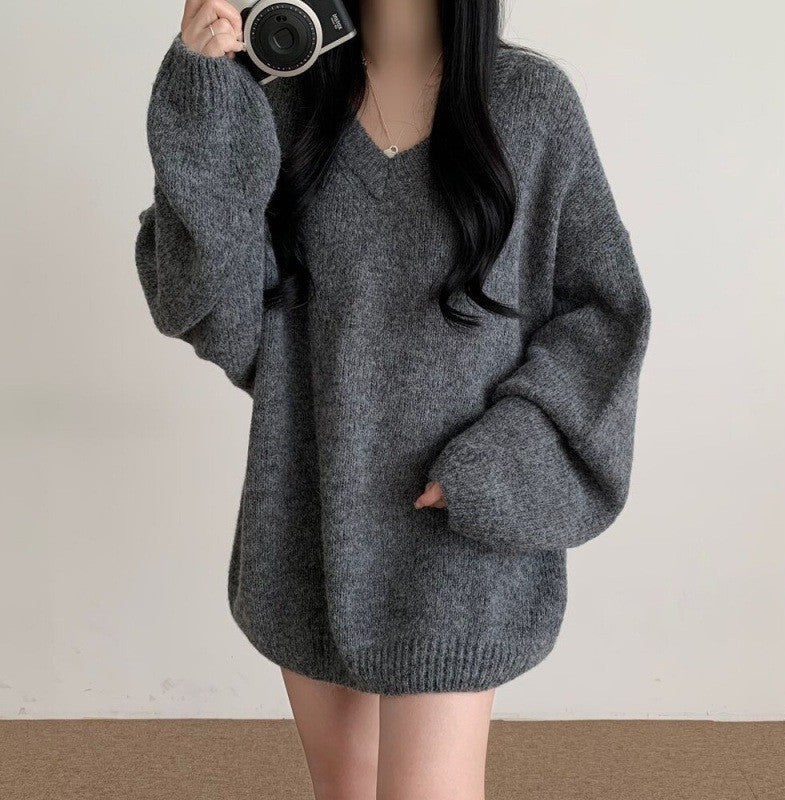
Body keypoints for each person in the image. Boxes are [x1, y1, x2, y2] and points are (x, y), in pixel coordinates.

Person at [134, 0, 651, 797]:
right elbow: (219, 321)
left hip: (456, 539)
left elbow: (602, 317)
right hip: (309, 520)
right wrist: (207, 100)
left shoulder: (530, 106)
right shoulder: (283, 102)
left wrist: (497, 468)